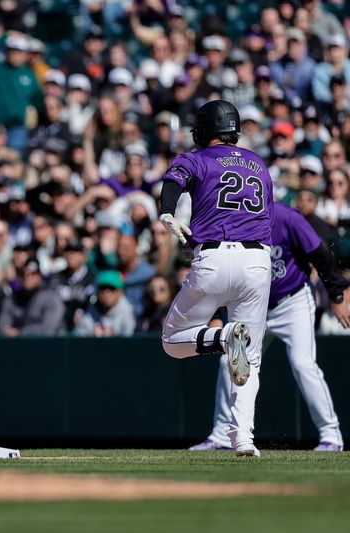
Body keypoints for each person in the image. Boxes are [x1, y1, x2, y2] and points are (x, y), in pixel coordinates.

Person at [159, 100, 274, 458]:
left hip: (214, 256)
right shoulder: (258, 163)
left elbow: (173, 182)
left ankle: (222, 336)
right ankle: (243, 439)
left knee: (172, 341)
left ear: (204, 130)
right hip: (257, 261)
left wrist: (166, 211)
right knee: (251, 359)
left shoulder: (196, 158)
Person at [190, 203, 349, 453]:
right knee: (230, 361)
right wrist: (220, 313)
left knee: (302, 363)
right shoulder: (234, 222)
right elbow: (228, 274)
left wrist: (336, 294)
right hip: (254, 306)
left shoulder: (286, 217)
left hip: (292, 300)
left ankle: (331, 434)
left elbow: (320, 253)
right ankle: (222, 434)